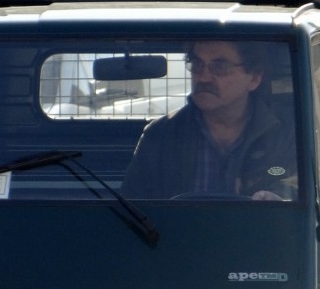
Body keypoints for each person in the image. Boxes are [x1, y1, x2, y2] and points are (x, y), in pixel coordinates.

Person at [120, 40, 297, 200]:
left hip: (260, 235)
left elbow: (306, 184)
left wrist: (278, 197)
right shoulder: (161, 135)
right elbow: (132, 209)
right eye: (197, 64)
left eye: (219, 67)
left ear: (254, 77)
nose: (203, 77)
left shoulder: (288, 133)